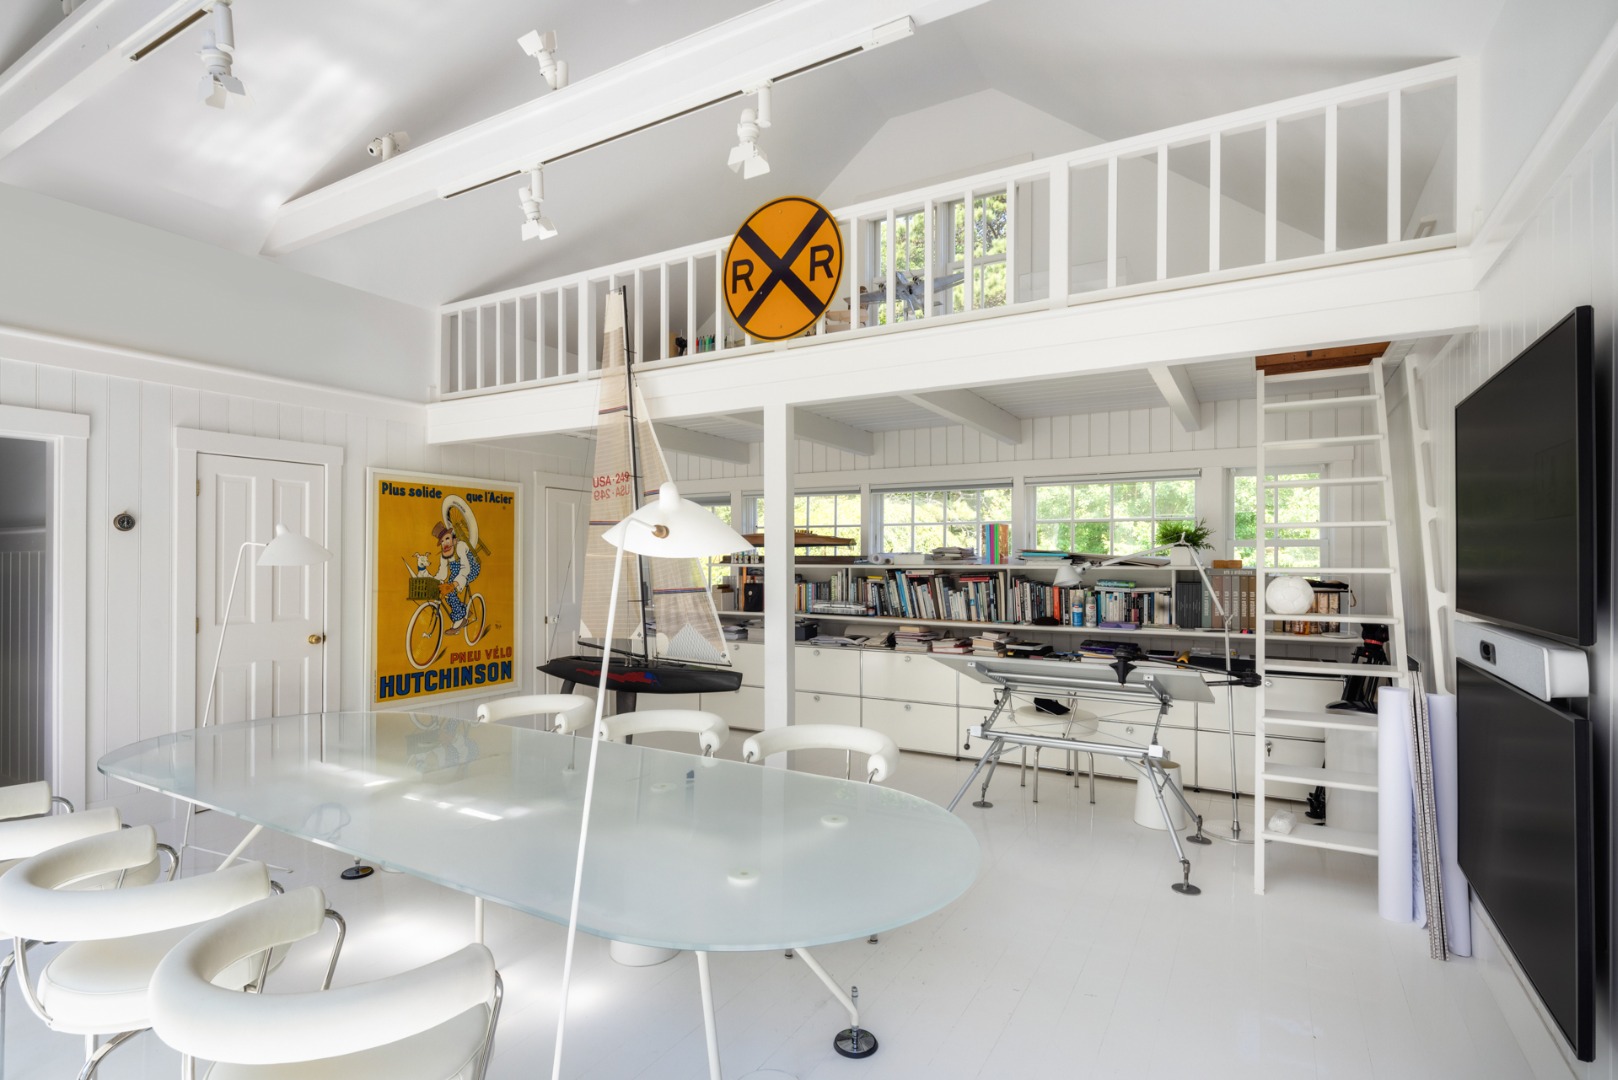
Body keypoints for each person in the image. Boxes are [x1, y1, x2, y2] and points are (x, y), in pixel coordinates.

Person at [432, 520, 480, 629]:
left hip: (471, 569)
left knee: (451, 590)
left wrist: (454, 584)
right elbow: (442, 573)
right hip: (456, 573)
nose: (445, 543)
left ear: (454, 539)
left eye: (447, 538)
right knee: (446, 591)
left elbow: (465, 568)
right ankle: (464, 611)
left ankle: (460, 620)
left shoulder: (460, 546)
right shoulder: (444, 554)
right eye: (442, 541)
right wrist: (433, 581)